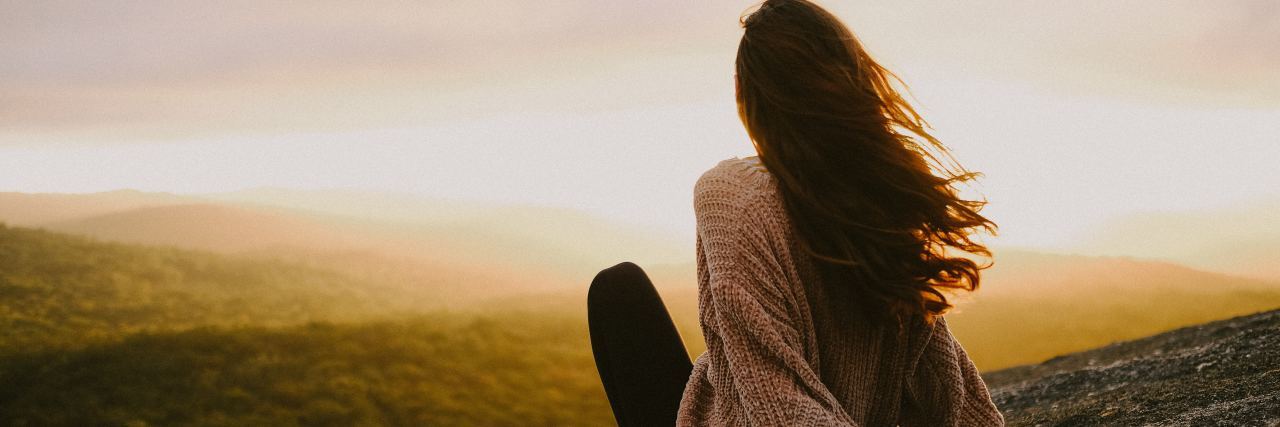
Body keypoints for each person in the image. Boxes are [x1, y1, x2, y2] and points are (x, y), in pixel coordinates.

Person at [675, 1, 1004, 425]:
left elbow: (777, 403)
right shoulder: (878, 192)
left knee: (619, 298)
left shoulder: (732, 197)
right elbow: (943, 377)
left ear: (744, 92)